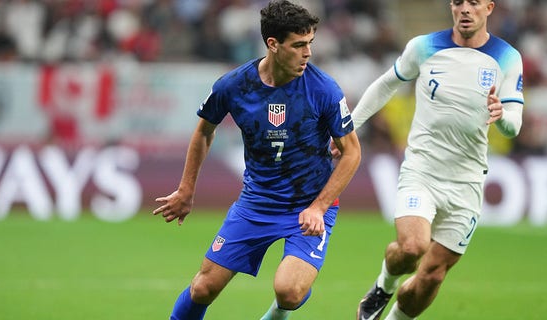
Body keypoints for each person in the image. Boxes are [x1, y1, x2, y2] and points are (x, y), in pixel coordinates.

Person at [153, 1, 362, 319]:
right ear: (273, 44)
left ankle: (288, 301)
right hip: (256, 204)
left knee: (289, 292)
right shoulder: (234, 85)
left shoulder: (324, 90)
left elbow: (352, 152)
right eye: (299, 45)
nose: (308, 53)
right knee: (202, 288)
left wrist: (319, 207)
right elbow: (204, 131)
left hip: (308, 207)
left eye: (310, 44)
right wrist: (186, 190)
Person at [349, 0, 524, 319]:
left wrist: (502, 116)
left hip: (467, 183)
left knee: (432, 276)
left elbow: (514, 124)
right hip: (422, 172)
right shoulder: (424, 46)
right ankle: (383, 287)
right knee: (412, 247)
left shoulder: (507, 57)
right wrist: (349, 128)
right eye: (458, 2)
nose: (465, 9)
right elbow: (387, 83)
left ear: (489, 7)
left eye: (473, 2)